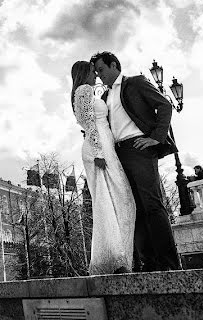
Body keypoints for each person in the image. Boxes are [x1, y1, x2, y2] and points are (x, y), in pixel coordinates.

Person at [91, 51, 181, 271]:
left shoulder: (135, 83)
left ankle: (170, 264)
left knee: (151, 205)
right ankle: (149, 263)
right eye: (96, 72)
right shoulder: (104, 97)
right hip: (118, 154)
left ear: (114, 65)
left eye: (101, 70)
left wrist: (155, 138)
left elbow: (165, 105)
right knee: (133, 208)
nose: (99, 76)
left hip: (138, 148)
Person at [72, 60, 136, 275]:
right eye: (93, 71)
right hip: (98, 147)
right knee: (115, 200)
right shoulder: (84, 90)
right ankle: (114, 257)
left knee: (116, 200)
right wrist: (99, 152)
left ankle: (119, 256)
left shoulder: (87, 91)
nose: (96, 76)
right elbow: (88, 123)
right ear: (84, 73)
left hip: (104, 143)